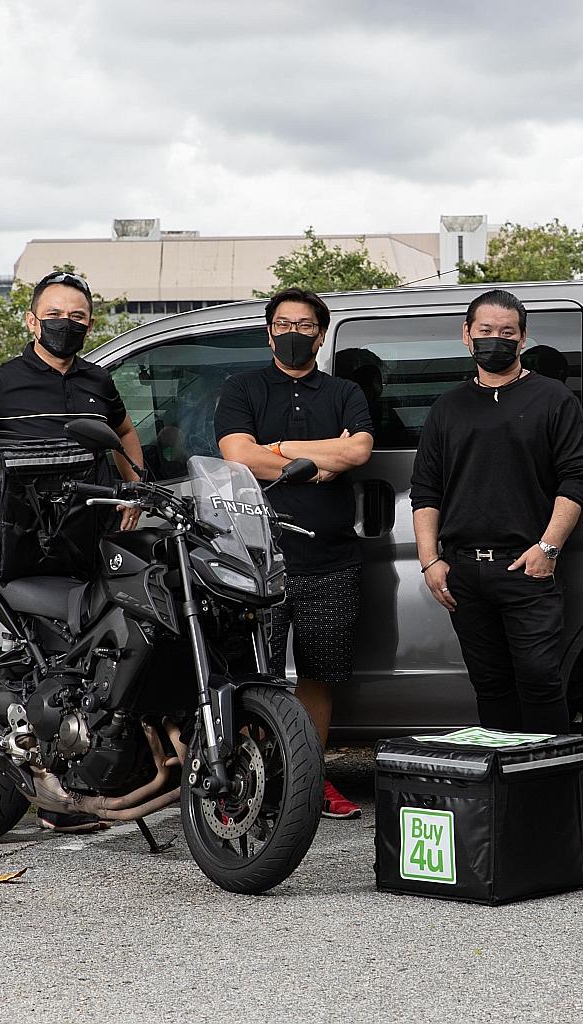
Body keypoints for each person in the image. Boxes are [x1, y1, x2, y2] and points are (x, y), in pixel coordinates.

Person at [0, 268, 146, 831]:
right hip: (21, 544)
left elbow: (123, 433)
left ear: (89, 325)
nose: (65, 326)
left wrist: (135, 484)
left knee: (92, 655)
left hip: (87, 538)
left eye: (77, 318)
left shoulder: (98, 381)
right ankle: (54, 797)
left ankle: (88, 773)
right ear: (31, 320)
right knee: (57, 658)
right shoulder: (1, 381)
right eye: (54, 316)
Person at [215, 288, 374, 820]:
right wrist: (314, 456)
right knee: (250, 677)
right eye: (284, 324)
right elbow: (238, 456)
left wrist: (277, 450)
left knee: (318, 677)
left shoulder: (344, 390)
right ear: (269, 332)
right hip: (254, 561)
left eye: (305, 326)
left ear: (321, 334)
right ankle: (246, 783)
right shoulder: (243, 388)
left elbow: (358, 450)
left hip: (331, 557)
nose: (294, 334)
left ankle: (311, 780)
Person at [410, 289, 583, 734]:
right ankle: (505, 791)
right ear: (467, 336)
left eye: (507, 332)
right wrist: (429, 561)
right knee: (490, 686)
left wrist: (547, 548)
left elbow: (577, 478)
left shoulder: (553, 399)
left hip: (527, 569)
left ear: (523, 338)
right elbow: (425, 490)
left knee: (540, 680)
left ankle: (548, 792)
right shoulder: (447, 407)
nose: (497, 339)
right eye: (486, 331)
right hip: (463, 574)